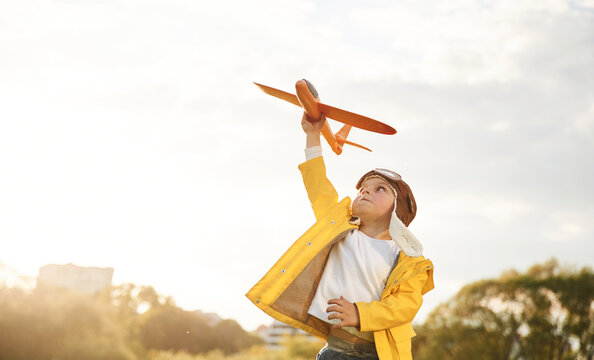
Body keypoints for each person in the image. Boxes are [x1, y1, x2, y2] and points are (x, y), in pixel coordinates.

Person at [246, 113, 434, 360]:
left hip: (378, 354)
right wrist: (312, 135)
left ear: (398, 209)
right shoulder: (340, 229)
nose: (366, 190)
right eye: (363, 188)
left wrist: (360, 314)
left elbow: (405, 306)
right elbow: (318, 186)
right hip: (334, 352)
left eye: (380, 189)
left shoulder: (409, 260)